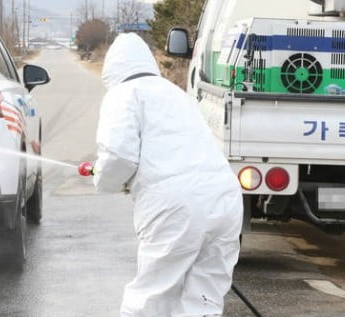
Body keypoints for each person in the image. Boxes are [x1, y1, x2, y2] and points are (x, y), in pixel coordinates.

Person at [93, 33, 243, 317]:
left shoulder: (122, 94)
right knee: (204, 299)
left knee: (151, 297)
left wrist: (102, 178)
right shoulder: (174, 92)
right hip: (225, 199)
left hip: (177, 205)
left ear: (111, 69)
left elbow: (117, 157)